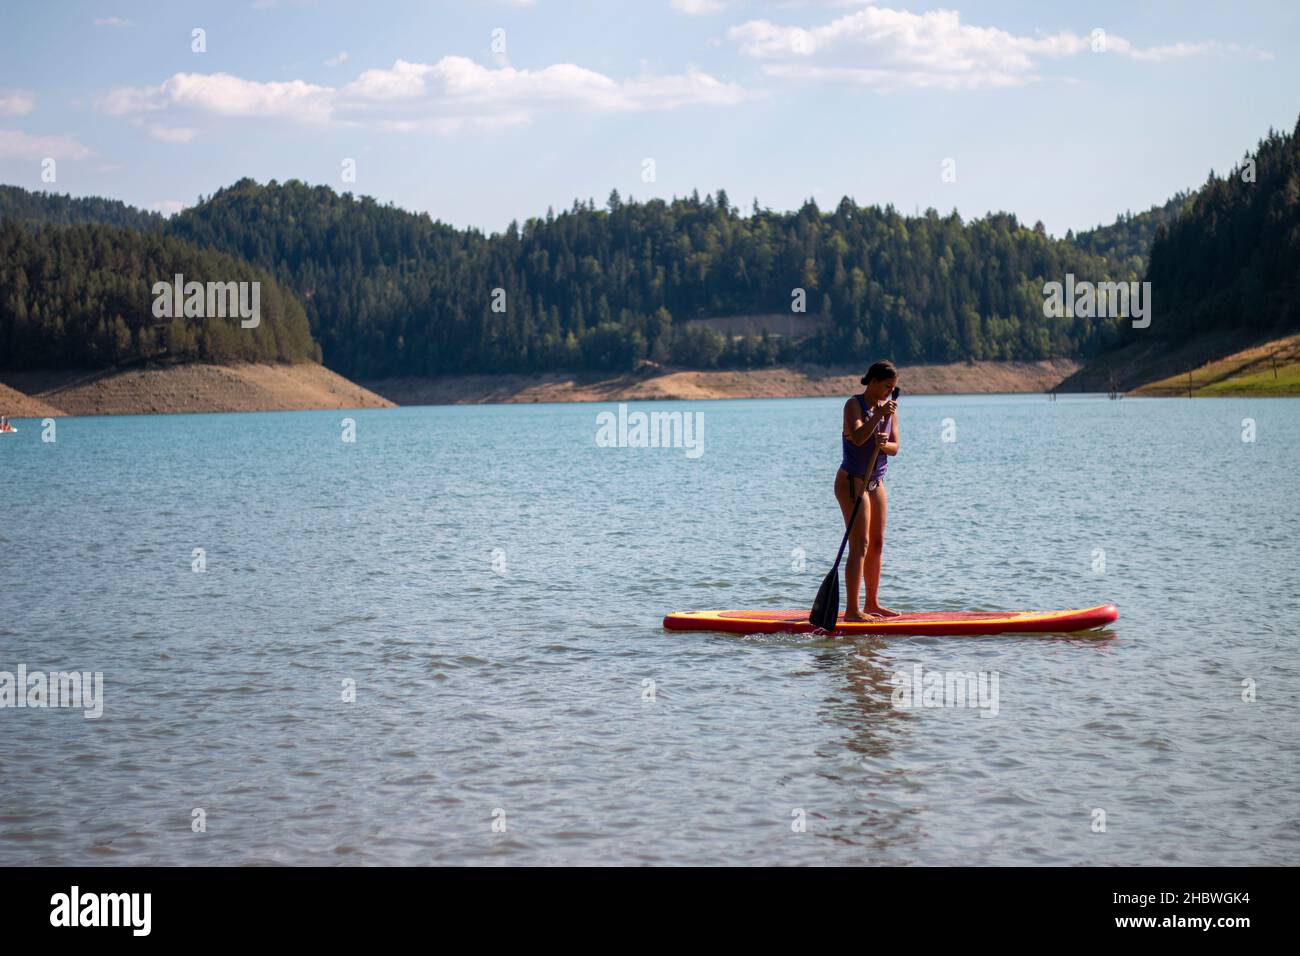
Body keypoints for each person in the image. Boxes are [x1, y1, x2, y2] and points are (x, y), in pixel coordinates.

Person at [835, 360, 900, 621]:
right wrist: (878, 418)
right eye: (886, 387)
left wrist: (884, 445)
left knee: (877, 544)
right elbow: (859, 437)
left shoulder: (890, 411)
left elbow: (896, 448)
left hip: (876, 483)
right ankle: (852, 610)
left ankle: (872, 603)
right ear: (872, 382)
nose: (889, 393)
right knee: (859, 545)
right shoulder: (853, 405)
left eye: (893, 389)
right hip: (853, 482)